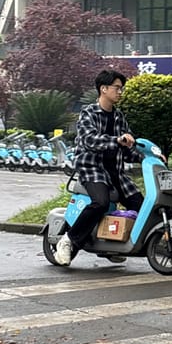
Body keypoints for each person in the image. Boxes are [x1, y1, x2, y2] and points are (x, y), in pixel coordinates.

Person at [55, 69, 143, 265]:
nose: (120, 92)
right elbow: (90, 140)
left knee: (141, 205)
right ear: (103, 89)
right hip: (93, 169)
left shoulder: (119, 117)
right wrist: (118, 140)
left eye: (122, 88)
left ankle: (113, 241)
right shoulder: (89, 113)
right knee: (101, 203)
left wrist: (148, 157)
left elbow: (128, 148)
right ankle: (69, 240)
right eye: (117, 88)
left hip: (116, 172)